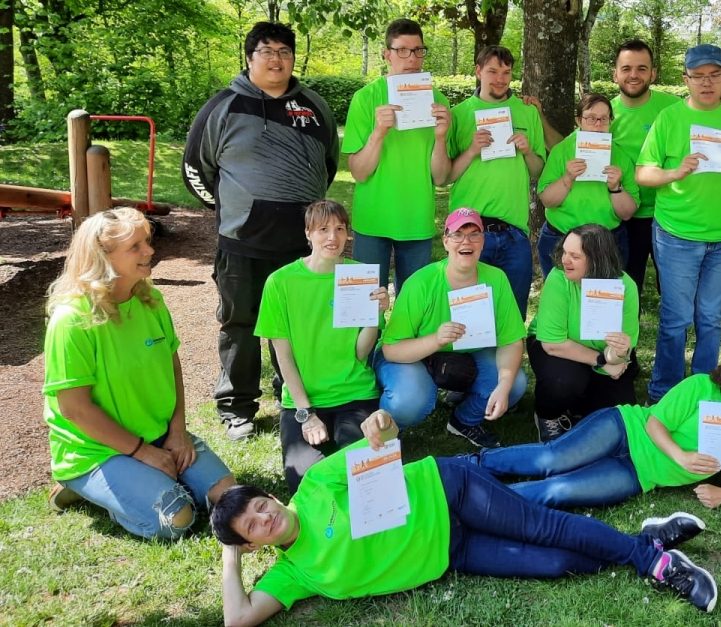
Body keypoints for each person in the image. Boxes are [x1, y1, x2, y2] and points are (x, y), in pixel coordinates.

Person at [212, 411, 720, 626]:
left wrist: (381, 426)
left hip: (448, 491)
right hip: (450, 554)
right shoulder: (292, 575)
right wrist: (228, 560)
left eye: (259, 505)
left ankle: (652, 563)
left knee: (546, 525)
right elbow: (237, 618)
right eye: (251, 527)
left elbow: (384, 443)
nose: (264, 517)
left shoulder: (317, 485)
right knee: (557, 563)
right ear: (252, 545)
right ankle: (646, 539)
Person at [184, 21, 339, 441]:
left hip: (300, 245)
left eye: (285, 51)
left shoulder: (315, 106)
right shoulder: (224, 106)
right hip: (243, 243)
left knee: (298, 323)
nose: (277, 59)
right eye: (267, 51)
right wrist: (234, 211)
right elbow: (195, 170)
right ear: (250, 58)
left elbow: (328, 165)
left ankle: (294, 392)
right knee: (241, 322)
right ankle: (237, 407)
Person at [43, 208, 236, 539]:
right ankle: (83, 483)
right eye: (136, 247)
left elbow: (171, 368)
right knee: (177, 519)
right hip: (98, 449)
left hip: (159, 434)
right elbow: (75, 409)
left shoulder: (152, 301)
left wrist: (177, 432)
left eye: (147, 242)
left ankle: (132, 483)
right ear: (102, 257)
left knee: (227, 494)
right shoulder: (71, 320)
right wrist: (142, 453)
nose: (149, 251)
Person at [462, 348, 721, 510]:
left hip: (640, 474)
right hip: (625, 428)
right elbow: (654, 422)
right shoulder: (702, 386)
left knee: (558, 491)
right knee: (551, 460)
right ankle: (469, 467)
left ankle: (476, 504)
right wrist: (682, 457)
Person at [636, 44, 721, 404]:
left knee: (710, 318)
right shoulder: (670, 118)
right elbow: (643, 173)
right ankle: (666, 394)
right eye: (699, 76)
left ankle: (706, 393)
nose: (707, 83)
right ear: (685, 79)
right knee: (676, 319)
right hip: (677, 234)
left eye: (714, 75)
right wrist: (676, 171)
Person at [254, 200, 388, 494]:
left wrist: (375, 316)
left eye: (340, 229)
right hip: (304, 400)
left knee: (368, 477)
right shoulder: (280, 283)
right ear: (308, 233)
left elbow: (360, 353)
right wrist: (306, 413)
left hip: (355, 393)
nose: (333, 237)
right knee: (305, 485)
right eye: (323, 229)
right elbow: (283, 356)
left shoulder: (360, 277)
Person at [375, 208, 528, 448]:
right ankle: (386, 431)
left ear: (482, 241)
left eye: (474, 234)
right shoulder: (421, 283)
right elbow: (391, 350)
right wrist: (436, 339)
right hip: (411, 354)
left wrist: (504, 384)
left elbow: (511, 340)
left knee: (514, 384)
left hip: (468, 351)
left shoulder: (496, 278)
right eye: (458, 234)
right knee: (409, 401)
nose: (466, 241)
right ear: (446, 241)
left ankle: (464, 420)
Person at [610, 39, 721, 297]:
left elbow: (704, 100)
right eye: (626, 68)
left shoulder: (670, 108)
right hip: (624, 214)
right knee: (626, 289)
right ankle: (627, 337)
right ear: (615, 73)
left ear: (653, 73)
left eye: (642, 68)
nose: (634, 75)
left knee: (675, 294)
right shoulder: (604, 112)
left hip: (669, 216)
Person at [343, 18, 451, 293]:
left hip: (417, 219)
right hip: (373, 219)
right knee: (367, 308)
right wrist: (378, 133)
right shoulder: (366, 98)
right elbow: (359, 172)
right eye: (402, 50)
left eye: (418, 50)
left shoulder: (438, 101)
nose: (412, 58)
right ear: (387, 54)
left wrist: (440, 137)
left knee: (413, 307)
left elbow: (440, 177)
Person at [447, 45, 546, 319]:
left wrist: (527, 151)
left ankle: (509, 363)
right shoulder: (459, 114)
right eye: (492, 71)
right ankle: (468, 363)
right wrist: (470, 150)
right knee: (468, 315)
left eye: (506, 72)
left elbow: (540, 171)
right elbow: (445, 177)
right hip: (470, 230)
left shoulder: (526, 112)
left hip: (514, 233)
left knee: (513, 314)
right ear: (478, 72)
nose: (500, 78)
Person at [529, 224, 640, 441]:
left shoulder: (624, 285)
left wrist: (616, 354)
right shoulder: (559, 278)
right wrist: (602, 361)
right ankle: (547, 416)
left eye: (574, 256)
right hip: (558, 348)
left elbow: (620, 354)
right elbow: (552, 344)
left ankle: (580, 403)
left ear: (597, 259)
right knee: (563, 383)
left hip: (602, 353)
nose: (564, 260)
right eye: (564, 252)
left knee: (620, 416)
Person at [536, 93, 638, 279]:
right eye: (591, 118)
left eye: (603, 118)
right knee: (562, 300)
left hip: (607, 241)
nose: (598, 124)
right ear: (579, 121)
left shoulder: (620, 156)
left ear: (610, 121)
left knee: (601, 301)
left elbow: (627, 212)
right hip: (561, 237)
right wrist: (568, 178)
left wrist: (616, 187)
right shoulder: (562, 151)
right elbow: (547, 201)